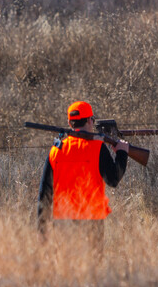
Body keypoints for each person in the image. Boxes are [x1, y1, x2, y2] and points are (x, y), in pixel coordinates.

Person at [37, 100, 130, 250]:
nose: (92, 123)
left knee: (67, 268)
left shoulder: (56, 150)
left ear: (69, 123)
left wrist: (42, 231)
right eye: (92, 119)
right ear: (88, 120)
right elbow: (113, 179)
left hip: (62, 222)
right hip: (92, 221)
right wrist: (122, 153)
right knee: (92, 268)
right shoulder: (97, 148)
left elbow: (45, 194)